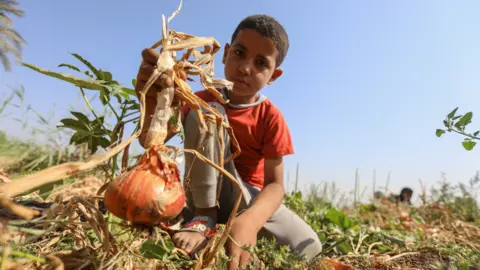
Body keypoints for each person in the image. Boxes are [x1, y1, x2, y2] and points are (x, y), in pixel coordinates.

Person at [134, 14, 322, 269]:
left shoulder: (270, 116)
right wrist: (153, 99)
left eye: (260, 63)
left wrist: (250, 221)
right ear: (225, 54)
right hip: (198, 191)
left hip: (244, 199)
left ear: (273, 76)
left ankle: (220, 230)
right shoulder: (199, 98)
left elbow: (275, 186)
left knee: (308, 245)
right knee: (209, 110)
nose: (246, 68)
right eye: (240, 53)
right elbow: (152, 142)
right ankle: (203, 216)